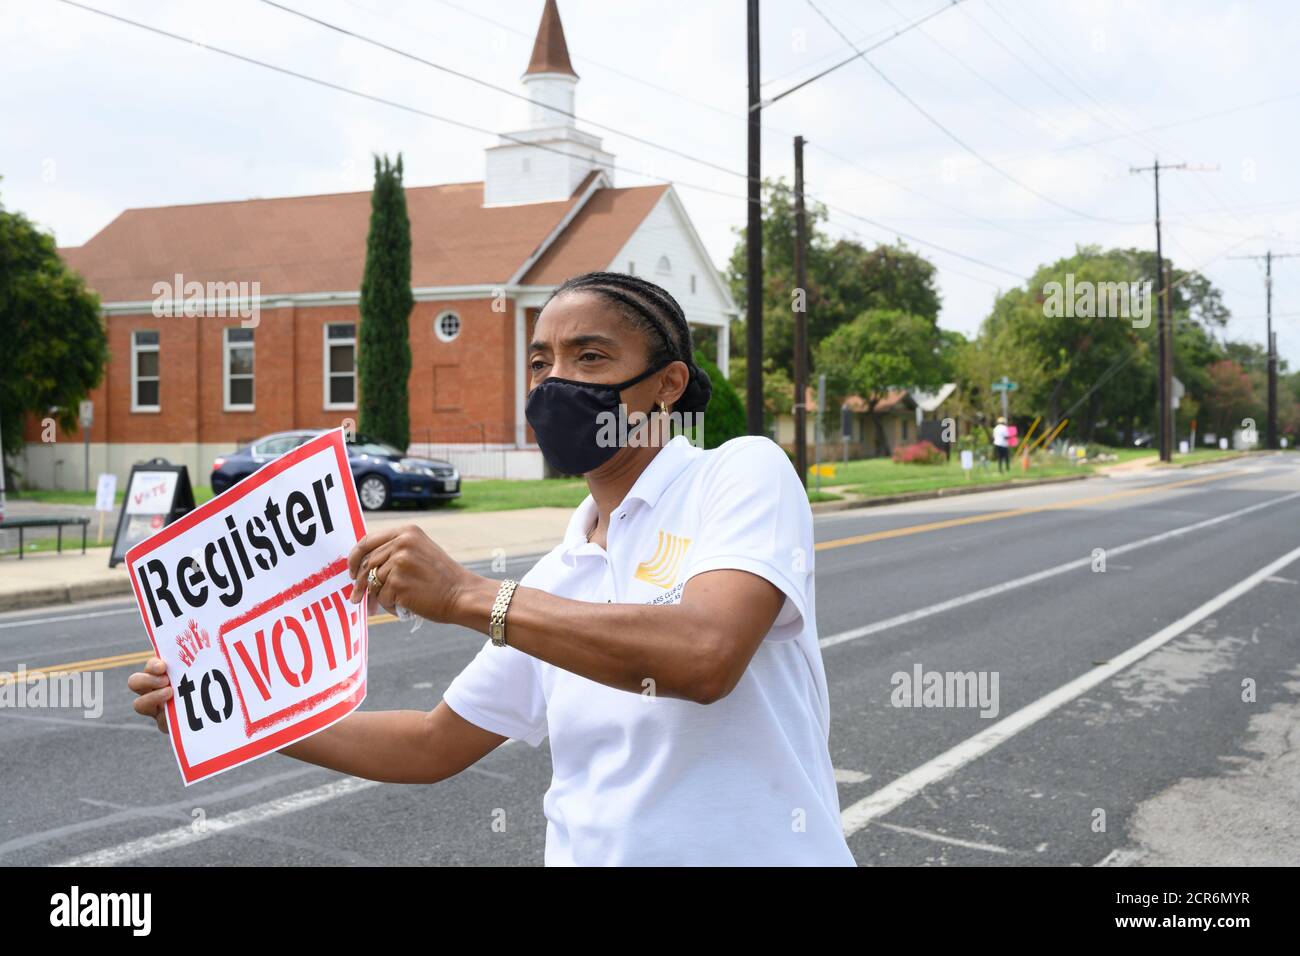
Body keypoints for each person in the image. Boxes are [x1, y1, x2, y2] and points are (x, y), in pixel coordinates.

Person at [129, 270, 857, 867]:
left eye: (590, 358)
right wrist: (237, 716)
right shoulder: (554, 579)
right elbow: (431, 743)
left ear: (667, 384)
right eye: (541, 362)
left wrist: (468, 595)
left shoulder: (739, 474)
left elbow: (706, 655)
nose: (555, 381)